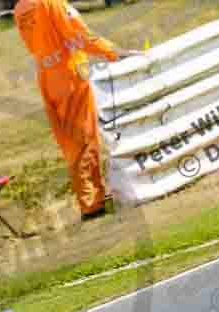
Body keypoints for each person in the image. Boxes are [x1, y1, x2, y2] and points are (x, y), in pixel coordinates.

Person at [13, 0, 144, 221]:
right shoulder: (51, 2)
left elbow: (32, 46)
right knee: (85, 140)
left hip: (47, 78)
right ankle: (93, 204)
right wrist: (114, 52)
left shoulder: (20, 8)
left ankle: (89, 199)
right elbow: (79, 35)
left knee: (71, 144)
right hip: (70, 75)